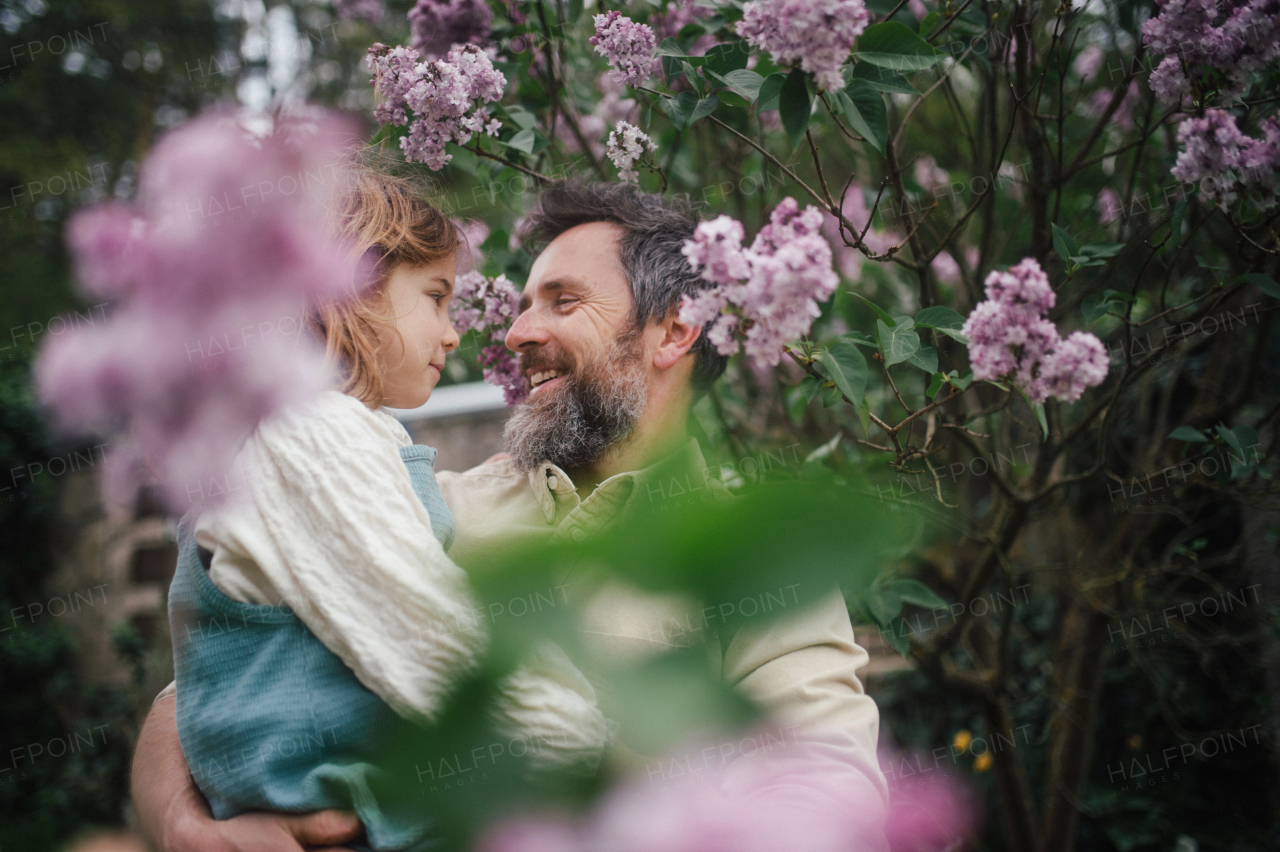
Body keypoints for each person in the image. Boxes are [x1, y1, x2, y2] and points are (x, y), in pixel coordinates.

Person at [131, 182, 889, 851]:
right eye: (524, 307)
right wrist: (184, 824)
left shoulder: (755, 563)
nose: (516, 335)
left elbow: (828, 794)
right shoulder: (429, 503)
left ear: (677, 329)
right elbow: (196, 687)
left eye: (563, 302)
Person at [156, 164, 607, 852]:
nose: (454, 334)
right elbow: (431, 632)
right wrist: (576, 739)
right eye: (435, 297)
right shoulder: (310, 435)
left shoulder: (299, 437)